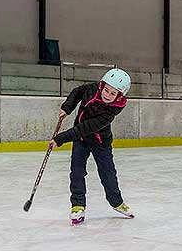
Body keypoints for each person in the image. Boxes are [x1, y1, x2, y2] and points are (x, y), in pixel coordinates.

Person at [49, 68, 134, 225]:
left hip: (100, 142)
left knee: (107, 173)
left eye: (112, 93)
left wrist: (60, 139)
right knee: (77, 172)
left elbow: (84, 128)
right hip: (80, 140)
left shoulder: (109, 113)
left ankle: (116, 202)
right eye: (106, 90)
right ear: (102, 85)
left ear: (119, 96)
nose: (106, 95)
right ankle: (78, 205)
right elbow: (77, 92)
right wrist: (67, 107)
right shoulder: (92, 89)